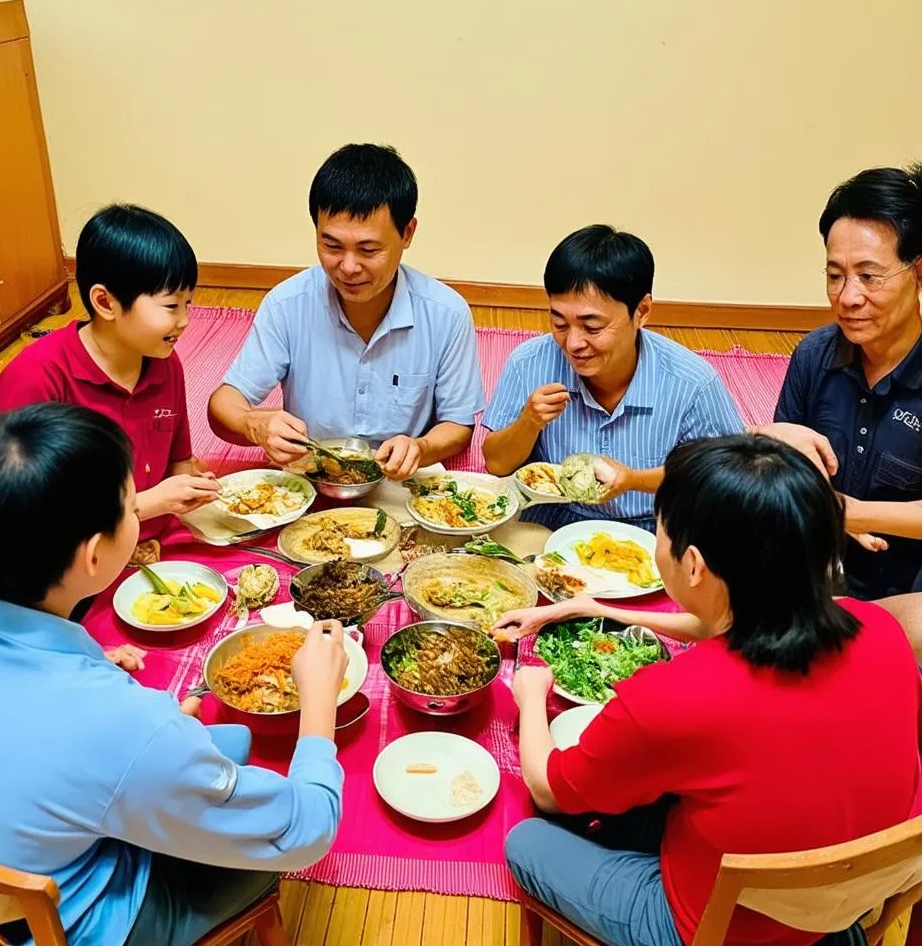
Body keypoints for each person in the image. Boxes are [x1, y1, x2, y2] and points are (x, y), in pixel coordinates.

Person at [0, 404, 347, 946]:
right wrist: (317, 704)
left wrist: (149, 733)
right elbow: (309, 831)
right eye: (130, 504)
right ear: (93, 555)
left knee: (225, 738)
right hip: (73, 932)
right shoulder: (123, 729)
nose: (140, 510)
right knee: (265, 827)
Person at [494, 435, 922, 946]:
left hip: (723, 940)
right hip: (851, 903)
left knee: (528, 839)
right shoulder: (879, 628)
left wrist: (532, 698)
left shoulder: (672, 697)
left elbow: (551, 789)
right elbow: (731, 626)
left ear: (692, 565)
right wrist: (604, 610)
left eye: (660, 530)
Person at [208, 143, 485, 482]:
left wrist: (421, 447)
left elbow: (458, 424)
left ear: (407, 233)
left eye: (369, 249)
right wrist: (255, 425)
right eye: (332, 246)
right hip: (309, 482)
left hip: (403, 486)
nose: (348, 267)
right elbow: (224, 403)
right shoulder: (287, 304)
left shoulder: (446, 313)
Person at [0, 204, 220, 559]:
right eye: (171, 306)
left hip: (155, 542)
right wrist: (145, 505)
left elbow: (178, 460)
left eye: (188, 303)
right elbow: (25, 516)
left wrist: (189, 485)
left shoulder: (165, 364)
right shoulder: (36, 379)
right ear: (105, 302)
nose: (186, 320)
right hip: (71, 564)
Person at [481, 225, 744, 531]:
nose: (573, 343)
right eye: (559, 323)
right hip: (551, 523)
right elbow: (496, 464)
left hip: (652, 529)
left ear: (642, 311)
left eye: (592, 327)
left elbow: (729, 479)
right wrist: (530, 422)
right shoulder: (529, 362)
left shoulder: (692, 383)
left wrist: (634, 480)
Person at [774, 164, 922, 616]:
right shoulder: (815, 354)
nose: (848, 297)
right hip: (813, 574)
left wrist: (852, 512)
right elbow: (783, 468)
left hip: (908, 595)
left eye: (869, 276)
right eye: (835, 275)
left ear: (918, 272)